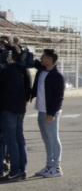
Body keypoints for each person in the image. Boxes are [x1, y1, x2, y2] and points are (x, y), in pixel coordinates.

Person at [31, 49, 65, 178]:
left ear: (50, 60)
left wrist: (52, 113)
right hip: (41, 110)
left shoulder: (57, 76)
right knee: (46, 140)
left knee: (53, 139)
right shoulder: (42, 70)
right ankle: (49, 166)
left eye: (44, 57)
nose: (41, 58)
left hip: (51, 112)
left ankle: (56, 168)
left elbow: (59, 98)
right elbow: (32, 62)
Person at [0, 48, 32, 182]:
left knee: (11, 140)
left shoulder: (6, 71)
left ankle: (15, 171)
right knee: (19, 139)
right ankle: (22, 170)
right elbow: (28, 89)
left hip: (8, 109)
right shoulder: (23, 70)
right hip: (20, 109)